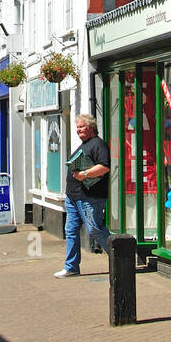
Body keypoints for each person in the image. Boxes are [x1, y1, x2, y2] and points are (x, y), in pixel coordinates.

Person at [54, 114, 112, 278]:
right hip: (73, 197)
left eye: (81, 127)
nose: (78, 130)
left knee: (95, 230)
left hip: (89, 197)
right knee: (71, 231)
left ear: (91, 128)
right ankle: (71, 267)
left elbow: (104, 167)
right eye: (77, 127)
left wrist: (85, 173)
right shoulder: (83, 145)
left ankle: (121, 258)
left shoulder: (99, 145)